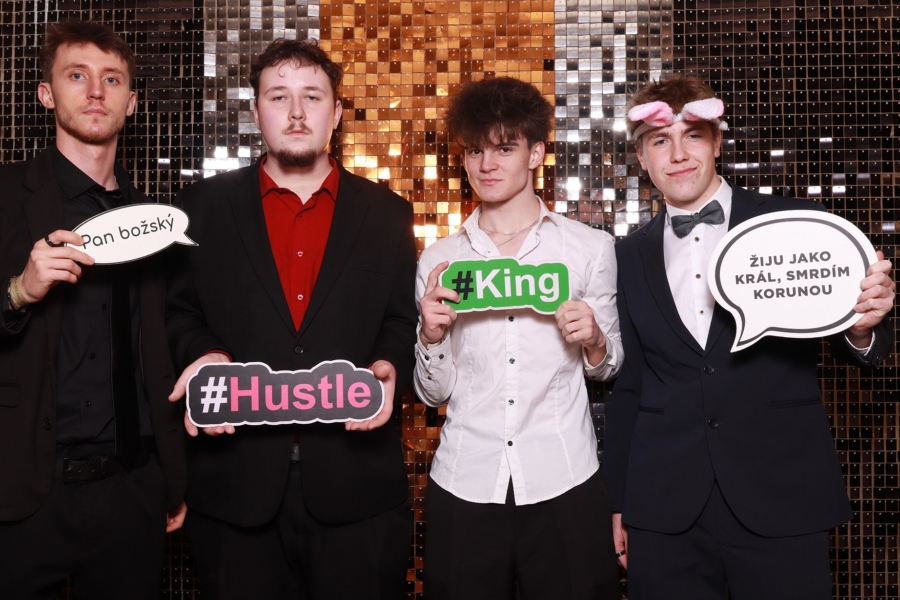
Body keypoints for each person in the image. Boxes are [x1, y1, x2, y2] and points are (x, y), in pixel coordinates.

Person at [605, 74, 895, 599]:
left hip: (781, 491)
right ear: (642, 159)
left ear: (717, 143)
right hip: (664, 505)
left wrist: (859, 327)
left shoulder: (795, 225)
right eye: (660, 141)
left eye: (693, 136)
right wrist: (620, 501)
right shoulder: (624, 257)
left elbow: (851, 338)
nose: (678, 155)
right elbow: (630, 386)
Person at [165, 38, 417, 599]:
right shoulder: (198, 208)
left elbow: (402, 322)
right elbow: (179, 311)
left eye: (313, 96)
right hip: (234, 490)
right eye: (279, 97)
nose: (297, 112)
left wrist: (388, 364)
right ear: (257, 111)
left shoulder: (388, 214)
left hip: (357, 490)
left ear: (337, 112)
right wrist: (206, 354)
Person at [0, 20, 187, 600]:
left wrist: (168, 475)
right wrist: (18, 292)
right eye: (77, 76)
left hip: (130, 493)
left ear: (131, 102)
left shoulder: (154, 223)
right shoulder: (4, 197)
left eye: (112, 79)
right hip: (24, 492)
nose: (96, 91)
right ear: (46, 94)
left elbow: (166, 340)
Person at [415, 76, 621, 600]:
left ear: (535, 154)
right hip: (465, 478)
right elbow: (434, 394)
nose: (487, 164)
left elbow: (608, 366)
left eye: (504, 148)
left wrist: (595, 339)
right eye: (475, 151)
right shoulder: (440, 259)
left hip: (564, 476)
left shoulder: (588, 249)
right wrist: (431, 336)